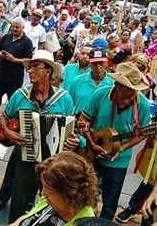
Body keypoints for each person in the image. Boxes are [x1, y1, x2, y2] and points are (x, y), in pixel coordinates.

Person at [0, 50, 80, 224]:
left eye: (35, 67)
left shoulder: (64, 98)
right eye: (29, 68)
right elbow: (3, 117)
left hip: (54, 162)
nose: (30, 71)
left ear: (48, 71)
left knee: (52, 201)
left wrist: (73, 140)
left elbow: (70, 129)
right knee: (19, 200)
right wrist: (8, 132)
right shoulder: (20, 95)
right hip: (26, 157)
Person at [79, 62, 151, 221]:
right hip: (92, 155)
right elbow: (84, 119)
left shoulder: (143, 105)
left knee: (110, 202)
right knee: (86, 196)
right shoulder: (101, 94)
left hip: (119, 161)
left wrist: (122, 147)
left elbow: (142, 134)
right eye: (129, 88)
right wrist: (91, 143)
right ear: (118, 85)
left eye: (136, 88)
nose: (134, 92)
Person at [8, 151, 98, 226]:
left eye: (48, 189)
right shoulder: (52, 200)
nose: (43, 193)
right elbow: (30, 217)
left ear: (69, 193)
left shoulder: (83, 223)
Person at [0, 17, 33, 122]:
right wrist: (0, 54)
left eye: (17, 27)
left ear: (22, 28)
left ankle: (8, 118)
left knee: (12, 99)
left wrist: (14, 59)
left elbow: (28, 60)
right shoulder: (6, 37)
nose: (14, 29)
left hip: (15, 77)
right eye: (13, 26)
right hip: (1, 73)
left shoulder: (27, 42)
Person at [69, 47, 114, 116]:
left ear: (107, 63)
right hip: (80, 123)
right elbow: (70, 104)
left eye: (101, 64)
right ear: (89, 63)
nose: (98, 67)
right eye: (94, 64)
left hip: (103, 126)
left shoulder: (113, 84)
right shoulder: (77, 81)